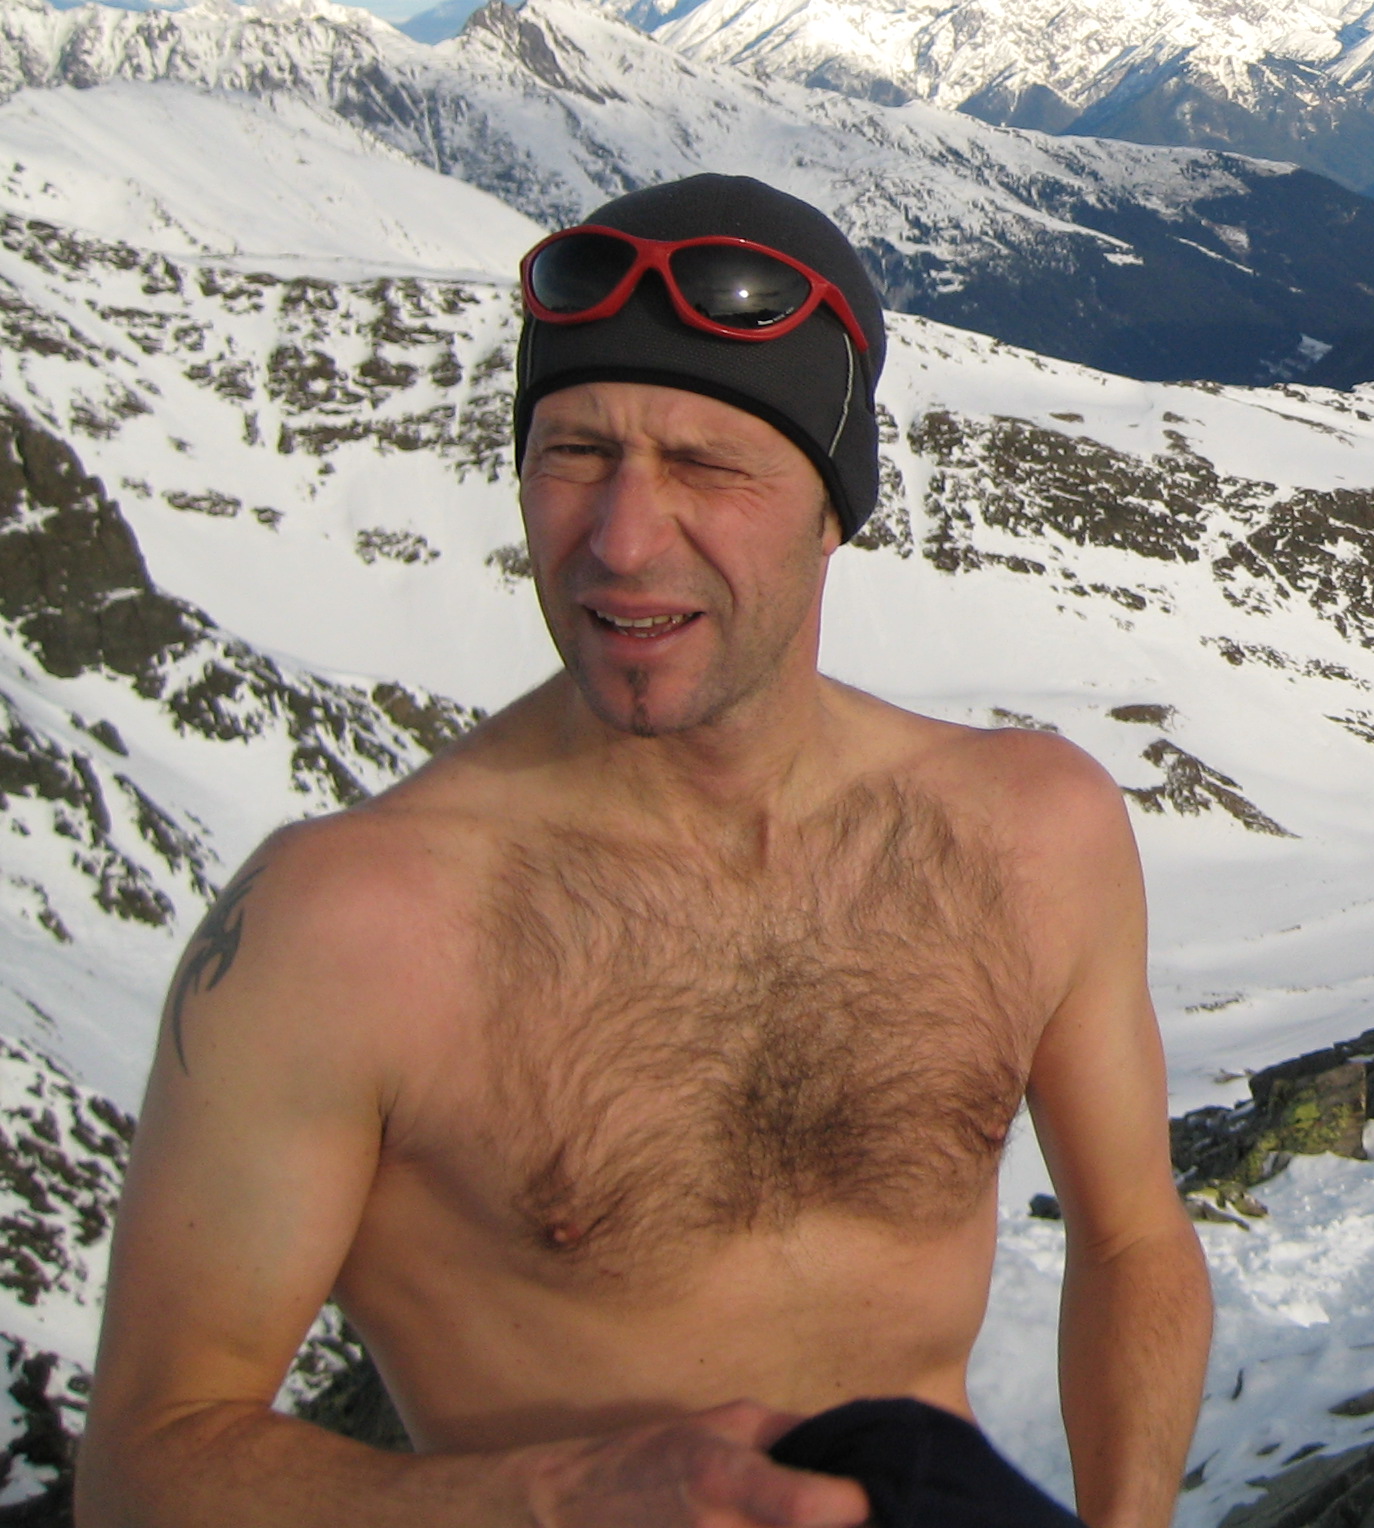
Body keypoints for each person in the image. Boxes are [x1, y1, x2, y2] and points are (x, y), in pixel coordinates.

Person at [76, 175, 1211, 1527]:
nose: (619, 542)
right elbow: (142, 1469)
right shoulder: (347, 926)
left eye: (706, 466)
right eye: (573, 454)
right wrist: (563, 1498)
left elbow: (1133, 1238)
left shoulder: (1029, 833)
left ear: (833, 507)